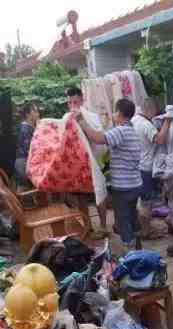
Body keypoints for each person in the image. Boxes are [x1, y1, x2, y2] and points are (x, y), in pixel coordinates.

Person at [74, 99, 143, 251]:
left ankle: (131, 254)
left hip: (123, 187)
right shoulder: (131, 130)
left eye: (114, 111)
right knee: (132, 217)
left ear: (119, 113)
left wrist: (81, 121)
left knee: (123, 220)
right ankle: (138, 248)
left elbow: (98, 139)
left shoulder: (121, 131)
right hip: (135, 184)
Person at [66, 87, 109, 239]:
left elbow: (99, 137)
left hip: (94, 162)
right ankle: (88, 225)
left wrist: (81, 122)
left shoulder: (91, 116)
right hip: (78, 165)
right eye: (70, 102)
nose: (72, 106)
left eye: (75, 102)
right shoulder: (67, 118)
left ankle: (103, 226)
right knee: (81, 196)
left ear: (82, 100)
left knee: (99, 193)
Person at [131, 98, 171, 239]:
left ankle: (144, 228)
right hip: (146, 168)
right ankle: (146, 231)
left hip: (136, 166)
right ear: (151, 110)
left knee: (142, 200)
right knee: (146, 202)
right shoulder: (146, 125)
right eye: (155, 113)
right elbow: (159, 139)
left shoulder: (134, 120)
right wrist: (168, 121)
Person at [15, 102, 39, 191]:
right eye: (35, 111)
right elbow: (29, 149)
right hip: (24, 163)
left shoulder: (28, 127)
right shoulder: (25, 129)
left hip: (23, 161)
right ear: (28, 114)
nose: (38, 114)